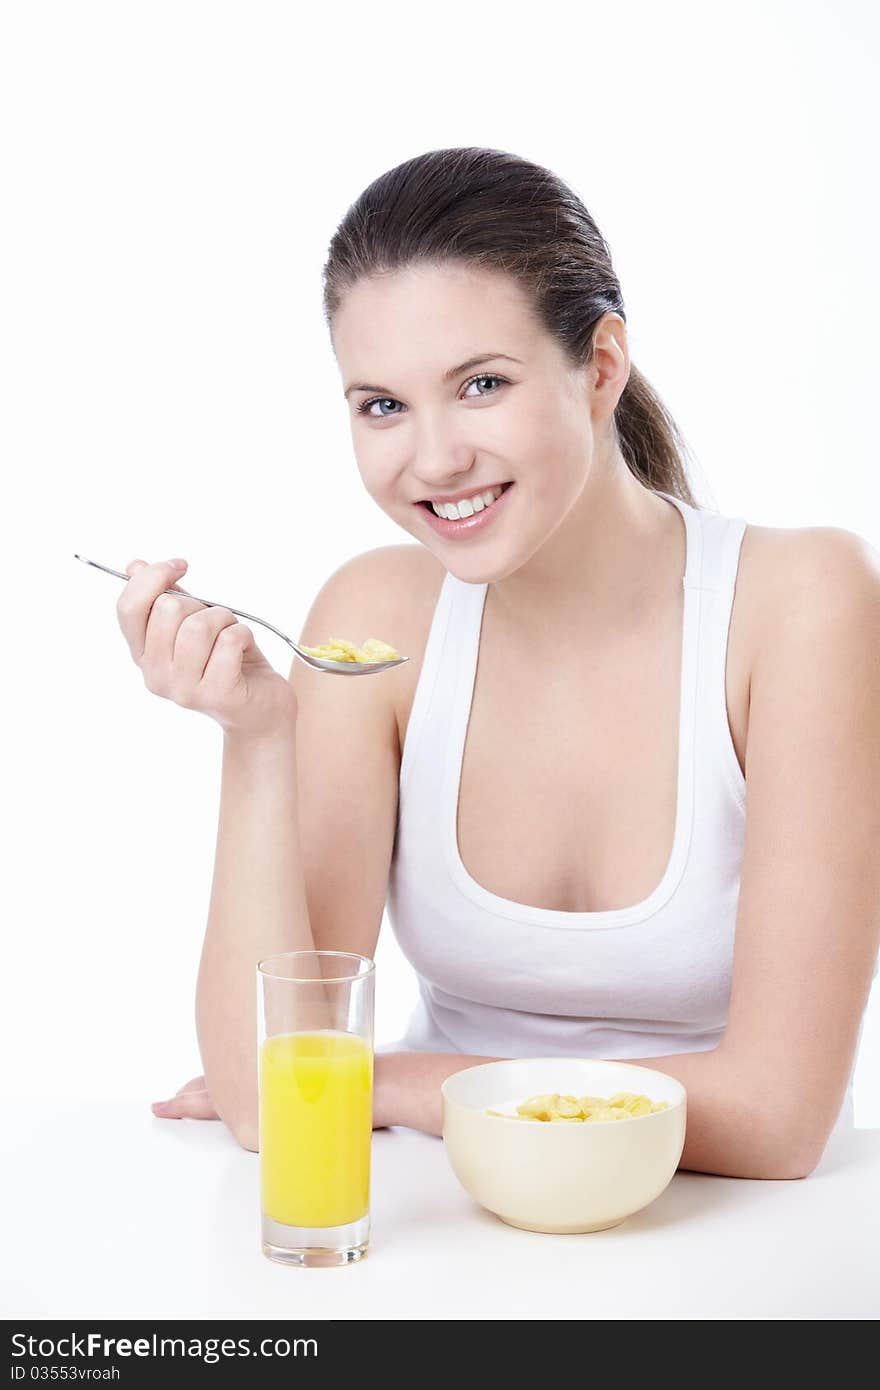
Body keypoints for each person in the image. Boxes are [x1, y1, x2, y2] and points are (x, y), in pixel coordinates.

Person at [119, 147, 880, 1178]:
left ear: (600, 365)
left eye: (479, 385)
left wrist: (387, 1082)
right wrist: (257, 740)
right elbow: (266, 1096)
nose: (432, 460)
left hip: (732, 1238)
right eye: (381, 404)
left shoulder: (800, 603)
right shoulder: (378, 619)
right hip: (450, 1222)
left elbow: (779, 1118)